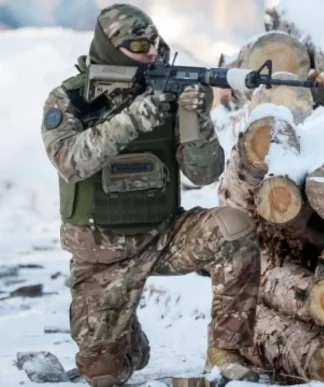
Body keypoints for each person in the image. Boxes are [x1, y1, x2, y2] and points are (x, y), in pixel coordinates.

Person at [39, 3, 260, 386]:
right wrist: (134, 118)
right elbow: (70, 161)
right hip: (102, 254)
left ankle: (227, 352)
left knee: (233, 228)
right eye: (139, 47)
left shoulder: (166, 94)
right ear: (110, 49)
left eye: (155, 44)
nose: (152, 54)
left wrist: (197, 120)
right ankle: (126, 337)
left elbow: (203, 173)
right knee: (106, 374)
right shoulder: (70, 100)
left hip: (163, 235)